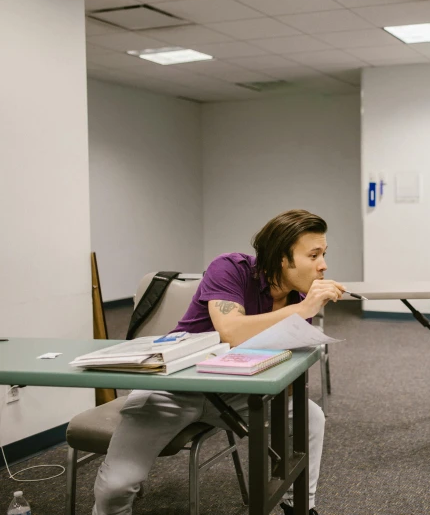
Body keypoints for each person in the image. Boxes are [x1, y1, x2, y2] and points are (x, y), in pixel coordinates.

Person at [93, 209, 343, 515]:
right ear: (281, 257)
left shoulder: (296, 296)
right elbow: (232, 331)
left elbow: (283, 361)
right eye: (314, 255)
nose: (323, 265)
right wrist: (305, 309)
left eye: (324, 254)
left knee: (310, 417)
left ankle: (300, 505)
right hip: (174, 387)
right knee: (118, 485)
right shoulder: (230, 267)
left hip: (235, 392)